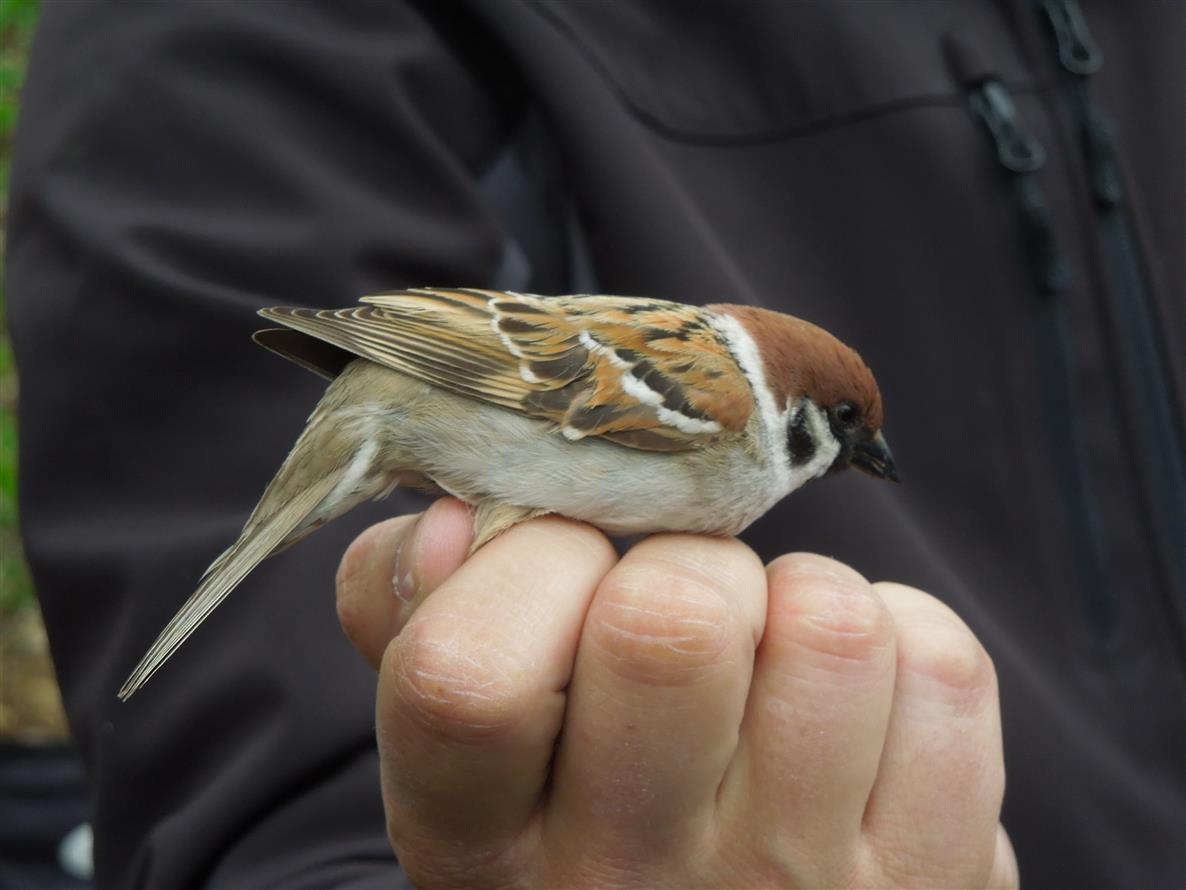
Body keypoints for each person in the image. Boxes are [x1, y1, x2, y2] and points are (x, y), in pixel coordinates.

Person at [7, 2, 1183, 887]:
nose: (851, 459)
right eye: (840, 434)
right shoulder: (713, 402)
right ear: (791, 410)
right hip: (423, 391)